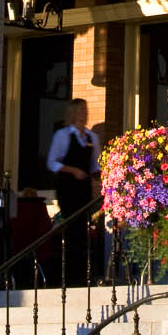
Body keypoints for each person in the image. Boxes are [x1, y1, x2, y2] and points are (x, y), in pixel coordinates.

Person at [46, 100, 100, 279]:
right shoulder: (63, 135)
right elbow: (52, 162)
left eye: (85, 109)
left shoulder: (92, 138)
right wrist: (72, 170)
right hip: (67, 186)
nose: (84, 113)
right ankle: (69, 272)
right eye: (80, 110)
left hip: (83, 187)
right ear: (72, 113)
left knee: (83, 226)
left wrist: (98, 182)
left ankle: (82, 271)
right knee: (72, 225)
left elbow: (95, 166)